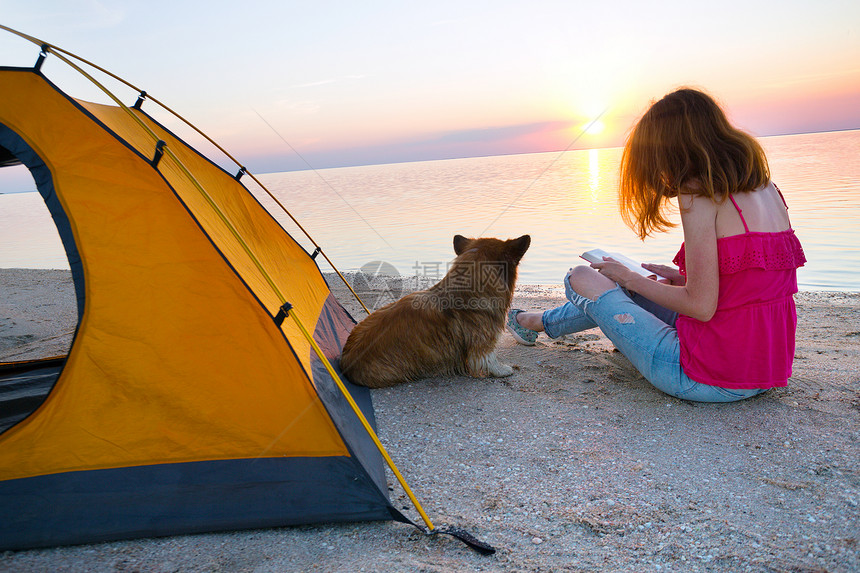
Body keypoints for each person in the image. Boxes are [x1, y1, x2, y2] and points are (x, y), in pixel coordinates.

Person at [506, 88, 806, 402]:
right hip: (764, 372)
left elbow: (701, 308)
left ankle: (535, 322)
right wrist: (680, 279)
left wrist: (629, 278)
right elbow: (756, 286)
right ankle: (536, 321)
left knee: (580, 278)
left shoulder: (700, 194)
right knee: (635, 283)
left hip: (705, 376)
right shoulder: (768, 189)